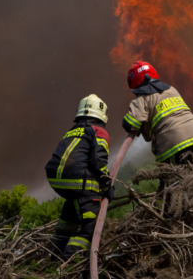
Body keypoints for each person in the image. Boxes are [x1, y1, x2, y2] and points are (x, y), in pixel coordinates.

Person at [44, 94, 114, 260]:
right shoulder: (99, 131)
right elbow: (99, 163)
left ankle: (49, 260)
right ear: (102, 114)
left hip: (59, 182)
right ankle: (71, 262)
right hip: (79, 183)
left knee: (68, 225)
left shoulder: (71, 132)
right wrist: (106, 187)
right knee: (92, 226)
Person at [121, 61, 193, 166]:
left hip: (173, 146)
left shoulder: (140, 100)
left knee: (175, 183)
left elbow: (130, 124)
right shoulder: (172, 90)